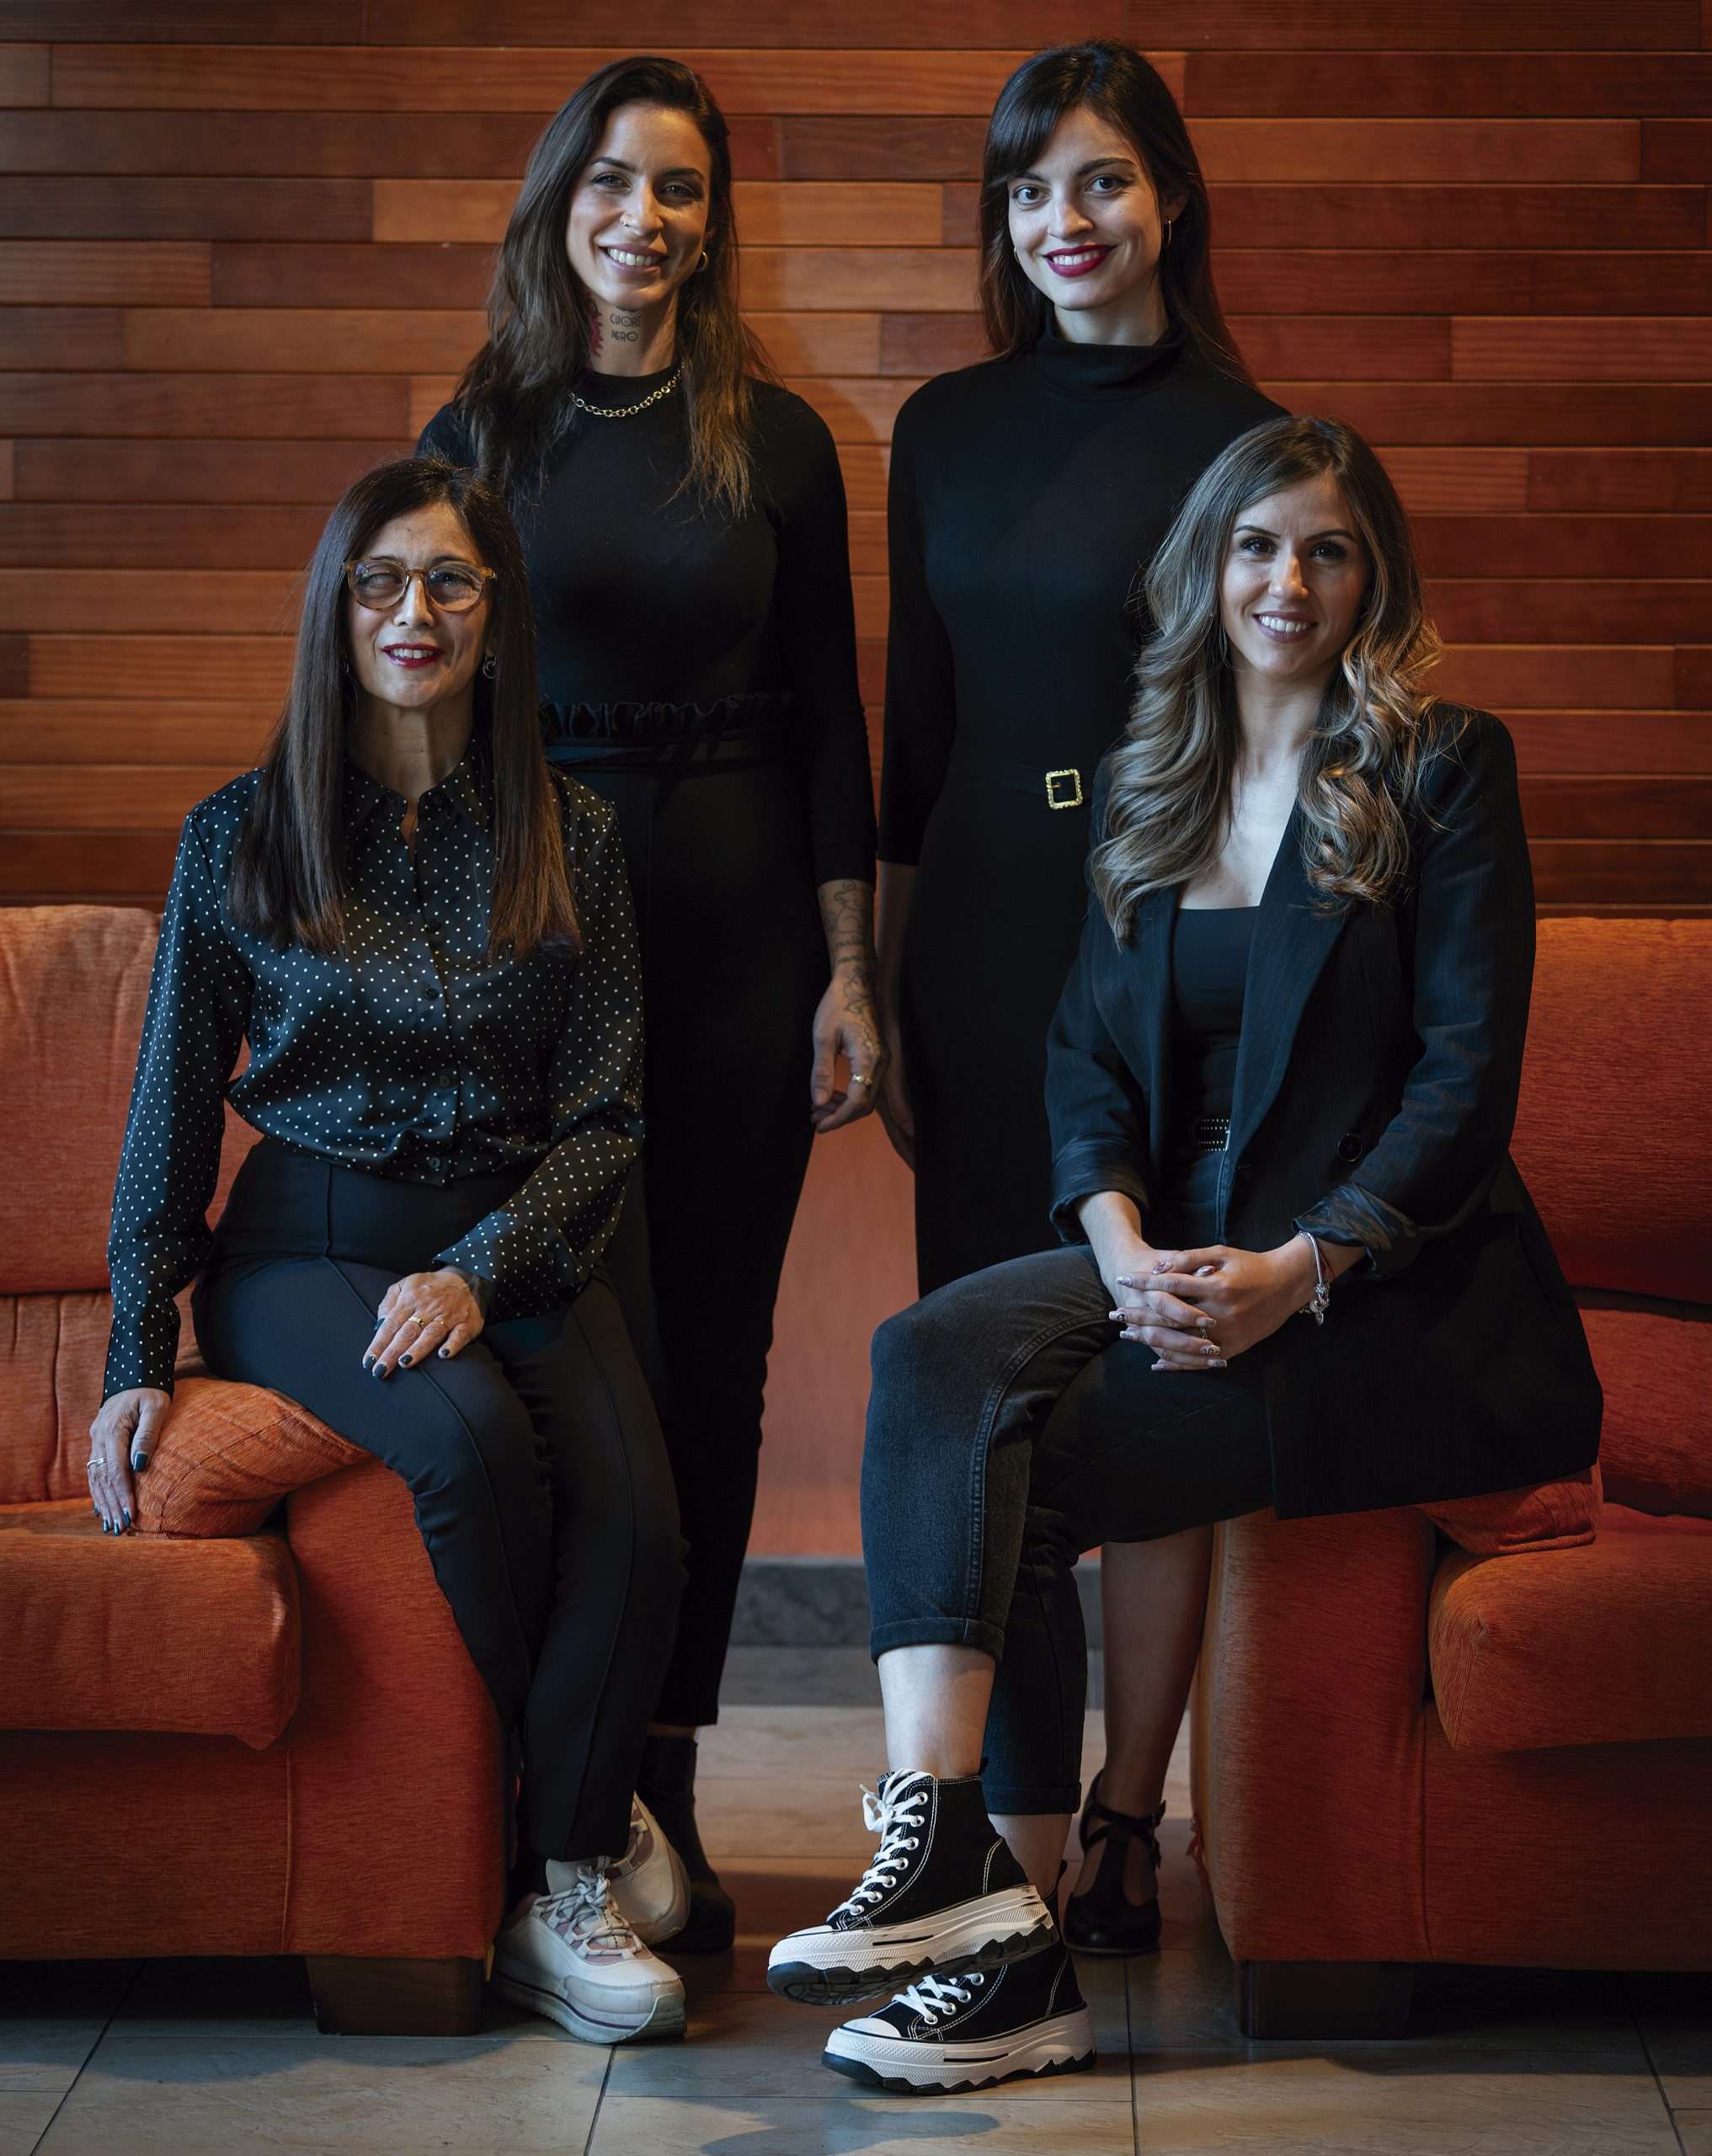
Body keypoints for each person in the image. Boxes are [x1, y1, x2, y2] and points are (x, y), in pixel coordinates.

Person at [769, 414, 1603, 2094]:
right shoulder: (1159, 778)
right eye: (1256, 546)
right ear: (1206, 573)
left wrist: (1308, 1260)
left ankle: (994, 1946)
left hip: (1379, 1303)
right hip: (1181, 1254)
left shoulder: (1444, 765)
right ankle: (971, 1893)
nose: (1286, 580)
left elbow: (1464, 1080)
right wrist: (1119, 1234)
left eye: (1327, 548)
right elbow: (1084, 1054)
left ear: (1376, 579)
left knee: (999, 1455)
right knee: (932, 1361)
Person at [88, 456, 695, 2048]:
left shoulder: (570, 831)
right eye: (378, 583)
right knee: (473, 1445)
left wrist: (483, 1267)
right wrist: (135, 1358)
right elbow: (166, 1119)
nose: (411, 613)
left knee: (640, 1515)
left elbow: (607, 1117)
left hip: (514, 1235)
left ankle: (558, 1860)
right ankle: (563, 1855)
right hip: (308, 1238)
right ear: (334, 611)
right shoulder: (240, 832)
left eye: (448, 582)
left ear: (495, 618)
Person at [418, 56, 882, 1948]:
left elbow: (838, 727)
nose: (646, 216)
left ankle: (665, 1777)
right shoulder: (483, 428)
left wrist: (854, 965)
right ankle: (563, 1780)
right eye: (614, 181)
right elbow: (420, 703)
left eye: (680, 189)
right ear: (560, 204)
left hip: (748, 933)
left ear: (713, 221)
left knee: (711, 1358)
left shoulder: (775, 439)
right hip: (540, 946)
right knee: (567, 1352)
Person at [873, 36, 1285, 1959]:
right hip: (972, 952)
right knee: (985, 1397)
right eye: (1032, 187)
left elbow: (1276, 741)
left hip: (1169, 955)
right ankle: (1015, 1848)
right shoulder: (940, 428)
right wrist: (868, 972)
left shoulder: (1248, 435)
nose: (1066, 218)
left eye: (1103, 180)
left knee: (1167, 1365)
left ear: (1169, 200)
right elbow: (917, 733)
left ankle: (1135, 1814)